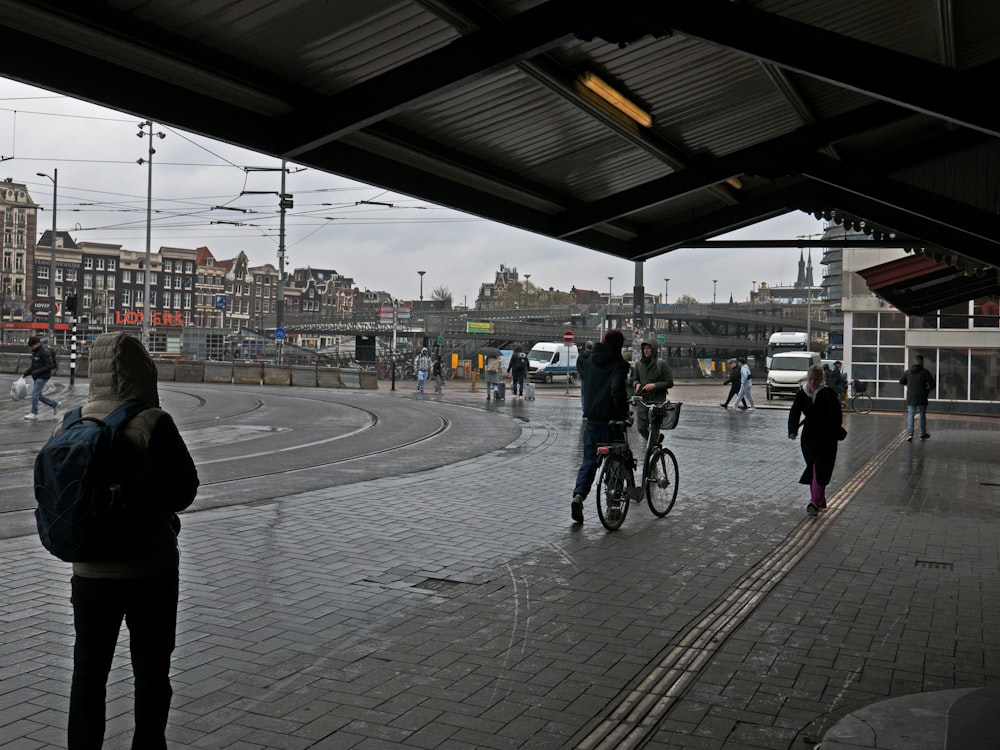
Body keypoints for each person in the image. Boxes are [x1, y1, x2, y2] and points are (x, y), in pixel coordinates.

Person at [60, 332, 199, 750]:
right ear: (143, 370)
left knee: (88, 672)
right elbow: (184, 491)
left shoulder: (70, 420)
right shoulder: (153, 421)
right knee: (151, 672)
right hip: (149, 568)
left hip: (88, 569)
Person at [572, 330, 630, 524]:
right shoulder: (619, 365)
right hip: (612, 422)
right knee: (615, 463)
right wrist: (625, 415)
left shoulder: (588, 362)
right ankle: (613, 506)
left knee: (589, 462)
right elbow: (617, 391)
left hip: (591, 421)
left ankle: (578, 497)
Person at [788, 364, 843, 516]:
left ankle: (813, 502)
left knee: (819, 469)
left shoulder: (828, 393)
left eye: (816, 379)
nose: (812, 382)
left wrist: (834, 430)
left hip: (827, 438)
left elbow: (837, 415)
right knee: (814, 470)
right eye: (810, 379)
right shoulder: (802, 393)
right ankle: (819, 500)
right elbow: (795, 412)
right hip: (809, 438)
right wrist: (792, 430)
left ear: (822, 379)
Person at [630, 341, 674, 439]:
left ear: (653, 349)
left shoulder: (661, 364)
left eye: (648, 348)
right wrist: (636, 384)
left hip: (657, 402)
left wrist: (654, 385)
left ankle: (654, 448)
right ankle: (655, 441)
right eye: (644, 348)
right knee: (641, 428)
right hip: (643, 403)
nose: (646, 350)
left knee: (654, 430)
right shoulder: (639, 365)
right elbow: (635, 378)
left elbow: (669, 382)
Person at [899, 353, 935, 441]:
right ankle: (922, 433)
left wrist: (909, 386)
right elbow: (932, 384)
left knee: (911, 414)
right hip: (922, 396)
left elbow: (901, 381)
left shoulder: (908, 372)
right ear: (922, 362)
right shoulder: (925, 372)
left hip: (911, 396)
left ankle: (910, 434)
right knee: (922, 415)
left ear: (915, 362)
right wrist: (927, 390)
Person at [23, 335, 59, 420]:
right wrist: (26, 373)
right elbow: (33, 366)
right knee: (39, 395)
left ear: (38, 343)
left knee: (34, 394)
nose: (32, 347)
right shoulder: (35, 352)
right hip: (37, 376)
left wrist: (36, 372)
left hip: (43, 376)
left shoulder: (44, 352)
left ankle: (34, 413)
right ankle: (54, 404)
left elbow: (50, 365)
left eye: (33, 345)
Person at [576, 340, 594, 415]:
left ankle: (584, 410)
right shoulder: (594, 356)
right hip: (592, 378)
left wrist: (582, 374)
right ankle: (591, 410)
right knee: (592, 395)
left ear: (586, 347)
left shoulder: (581, 356)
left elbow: (578, 367)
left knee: (583, 395)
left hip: (584, 378)